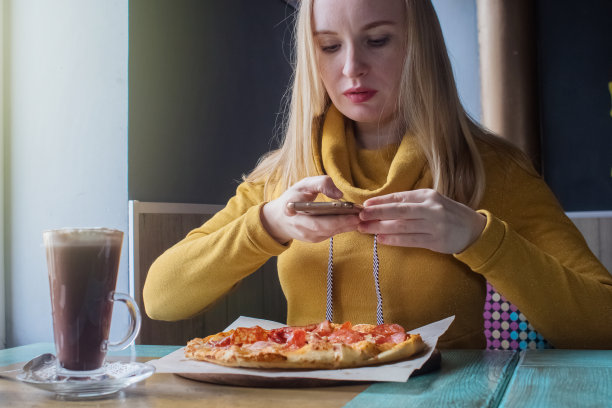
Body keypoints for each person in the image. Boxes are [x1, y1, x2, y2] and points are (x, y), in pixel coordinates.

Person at [143, 0, 612, 349]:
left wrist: (478, 237)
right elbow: (162, 298)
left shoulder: (492, 169)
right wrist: (268, 224)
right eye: (329, 46)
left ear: (419, 47)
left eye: (378, 40)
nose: (351, 68)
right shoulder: (282, 174)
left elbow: (603, 322)